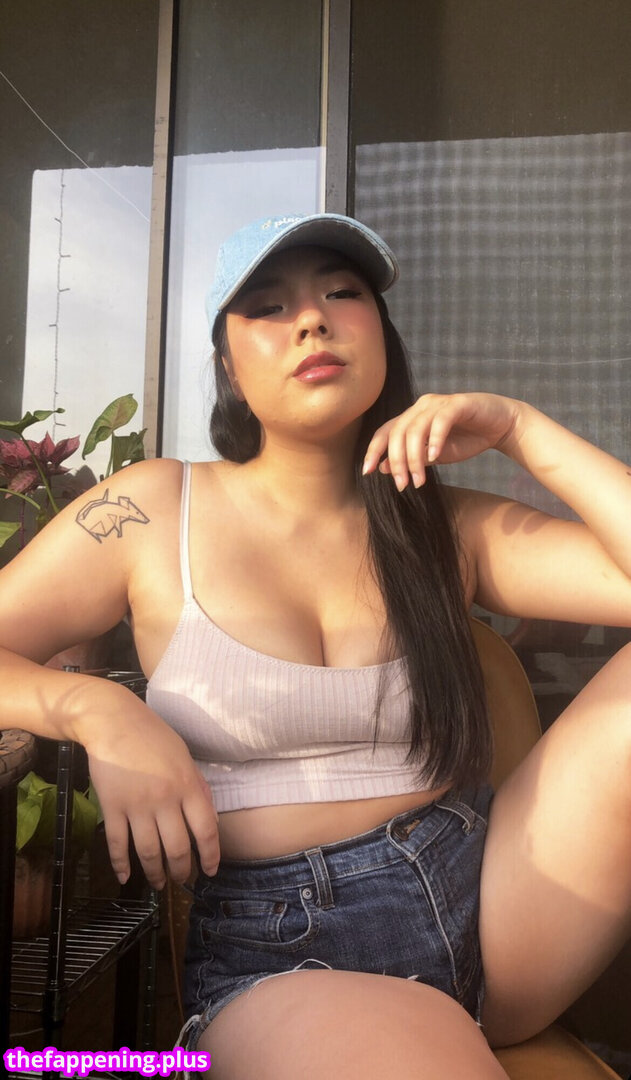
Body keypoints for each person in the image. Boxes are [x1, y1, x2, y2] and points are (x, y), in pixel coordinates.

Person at [2, 212, 630, 1079]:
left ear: (381, 336)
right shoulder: (151, 510)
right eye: (268, 306)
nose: (311, 320)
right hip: (286, 950)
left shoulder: (442, 527)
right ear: (228, 366)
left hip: (497, 904)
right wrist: (91, 706)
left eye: (341, 293)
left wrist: (520, 428)